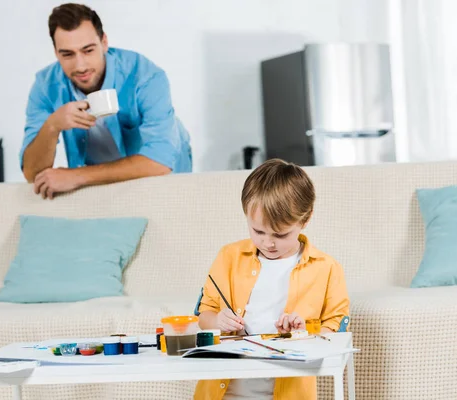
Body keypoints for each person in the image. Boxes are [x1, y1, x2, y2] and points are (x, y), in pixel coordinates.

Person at [194, 159, 350, 400]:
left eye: (281, 234)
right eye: (258, 231)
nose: (268, 243)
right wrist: (217, 320)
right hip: (224, 392)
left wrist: (304, 332)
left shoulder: (327, 269)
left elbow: (336, 332)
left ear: (305, 219)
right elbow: (204, 316)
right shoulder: (228, 257)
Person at [21, 3, 192, 199]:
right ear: (55, 52)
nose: (80, 65)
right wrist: (52, 126)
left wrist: (76, 176)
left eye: (88, 50)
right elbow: (33, 173)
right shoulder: (45, 85)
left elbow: (160, 160)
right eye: (67, 54)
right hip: (97, 185)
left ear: (104, 42)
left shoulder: (145, 76)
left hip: (160, 179)